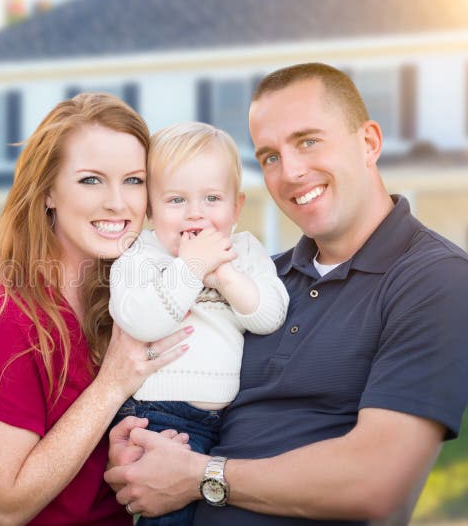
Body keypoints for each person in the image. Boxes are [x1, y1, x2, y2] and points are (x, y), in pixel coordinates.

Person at [105, 62, 468, 525]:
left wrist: (201, 476)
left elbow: (378, 484)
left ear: (369, 143)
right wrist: (138, 444)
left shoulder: (435, 278)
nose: (291, 171)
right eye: (270, 156)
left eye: (308, 141)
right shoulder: (259, 278)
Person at [0, 93, 193, 525]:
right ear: (49, 190)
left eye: (133, 180)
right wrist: (111, 387)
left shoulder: (130, 302)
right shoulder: (3, 320)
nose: (118, 203)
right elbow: (2, 507)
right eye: (91, 180)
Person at [108, 122, 289, 525]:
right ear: (150, 210)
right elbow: (140, 321)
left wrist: (224, 275)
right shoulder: (140, 257)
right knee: (168, 515)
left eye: (212, 198)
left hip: (229, 422)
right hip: (158, 417)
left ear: (236, 208)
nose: (195, 212)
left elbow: (270, 316)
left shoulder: (242, 252)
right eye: (176, 199)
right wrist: (191, 268)